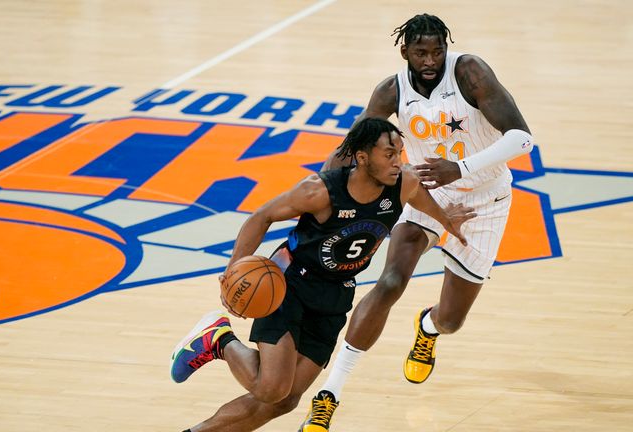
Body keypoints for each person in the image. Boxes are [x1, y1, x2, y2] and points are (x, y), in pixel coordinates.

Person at [300, 13, 534, 431]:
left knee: (452, 320)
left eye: (437, 50)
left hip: (486, 199)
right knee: (389, 282)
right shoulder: (391, 90)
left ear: (447, 47)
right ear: (404, 52)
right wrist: (317, 195)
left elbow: (521, 137)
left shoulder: (470, 72)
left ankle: (428, 328)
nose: (430, 60)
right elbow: (351, 145)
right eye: (420, 52)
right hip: (427, 192)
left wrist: (459, 168)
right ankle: (328, 396)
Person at [168, 118, 475, 432]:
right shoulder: (320, 191)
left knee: (285, 401)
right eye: (389, 154)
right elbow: (262, 217)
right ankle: (220, 339)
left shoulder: (404, 183)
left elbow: (422, 199)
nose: (398, 162)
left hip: (334, 296)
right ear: (362, 158)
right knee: (271, 388)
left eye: (400, 152)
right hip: (290, 286)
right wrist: (234, 269)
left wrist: (447, 220)